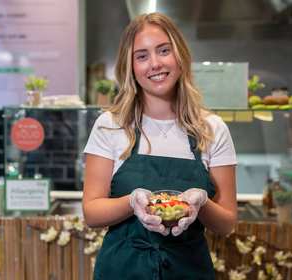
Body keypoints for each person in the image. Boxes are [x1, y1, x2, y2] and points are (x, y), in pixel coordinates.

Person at [82, 12, 237, 279]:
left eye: (164, 51)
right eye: (142, 56)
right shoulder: (110, 125)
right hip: (121, 269)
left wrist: (202, 203)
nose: (155, 63)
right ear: (130, 67)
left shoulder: (212, 129)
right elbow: (92, 213)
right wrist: (132, 201)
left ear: (180, 56)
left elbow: (226, 224)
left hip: (189, 270)